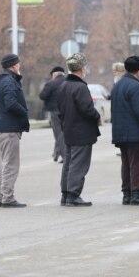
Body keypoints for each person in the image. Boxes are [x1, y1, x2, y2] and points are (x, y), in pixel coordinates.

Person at [111, 55, 139, 206]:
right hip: (135, 133)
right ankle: (136, 194)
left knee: (126, 163)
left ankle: (127, 194)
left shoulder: (118, 85)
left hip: (121, 133)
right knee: (138, 163)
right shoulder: (136, 86)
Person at [57, 53, 100, 207]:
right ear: (82, 68)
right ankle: (74, 194)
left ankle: (66, 193)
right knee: (79, 164)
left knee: (68, 162)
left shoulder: (63, 86)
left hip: (68, 129)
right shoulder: (80, 87)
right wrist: (97, 115)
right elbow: (87, 109)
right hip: (81, 131)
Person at [0, 53, 30, 208]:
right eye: (18, 64)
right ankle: (7, 198)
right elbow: (10, 103)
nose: (19, 66)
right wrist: (24, 112)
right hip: (9, 129)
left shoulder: (2, 80)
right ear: (14, 65)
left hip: (2, 128)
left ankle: (2, 196)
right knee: (10, 165)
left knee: (4, 164)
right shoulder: (8, 81)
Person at [39, 66, 66, 163]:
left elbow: (42, 96)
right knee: (63, 133)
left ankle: (65, 156)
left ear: (54, 74)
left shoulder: (51, 83)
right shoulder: (69, 82)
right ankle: (56, 153)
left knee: (59, 133)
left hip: (55, 111)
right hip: (68, 111)